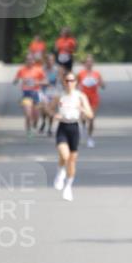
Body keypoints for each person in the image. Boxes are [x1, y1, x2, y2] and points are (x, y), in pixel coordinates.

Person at [50, 71, 94, 201]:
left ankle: (68, 187)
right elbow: (49, 108)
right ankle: (60, 172)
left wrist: (83, 110)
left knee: (72, 160)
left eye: (72, 80)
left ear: (76, 82)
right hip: (63, 127)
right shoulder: (59, 96)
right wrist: (54, 115)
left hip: (74, 127)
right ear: (64, 82)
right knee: (64, 155)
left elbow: (90, 115)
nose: (69, 83)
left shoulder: (80, 96)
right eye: (67, 81)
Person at [13, 53, 46, 136]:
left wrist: (37, 82)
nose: (29, 61)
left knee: (36, 115)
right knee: (28, 114)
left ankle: (35, 124)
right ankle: (28, 131)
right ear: (25, 61)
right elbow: (15, 80)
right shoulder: (21, 70)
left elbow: (46, 81)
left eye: (31, 60)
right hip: (26, 93)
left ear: (34, 61)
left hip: (36, 93)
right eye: (28, 60)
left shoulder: (39, 70)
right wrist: (16, 80)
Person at [77, 55, 105, 147]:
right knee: (83, 117)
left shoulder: (96, 74)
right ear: (85, 64)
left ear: (93, 63)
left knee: (91, 118)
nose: (89, 63)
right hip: (84, 98)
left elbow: (103, 86)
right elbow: (75, 85)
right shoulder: (81, 74)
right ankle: (84, 127)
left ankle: (90, 138)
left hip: (94, 98)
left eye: (91, 62)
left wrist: (100, 82)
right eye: (87, 62)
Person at [38, 53, 61, 136]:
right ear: (46, 61)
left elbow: (58, 81)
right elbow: (39, 80)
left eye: (52, 60)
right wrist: (43, 83)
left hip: (54, 92)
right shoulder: (42, 69)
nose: (50, 62)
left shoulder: (56, 69)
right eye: (48, 60)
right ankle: (44, 122)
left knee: (51, 109)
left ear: (54, 61)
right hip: (44, 92)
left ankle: (50, 128)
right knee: (44, 110)